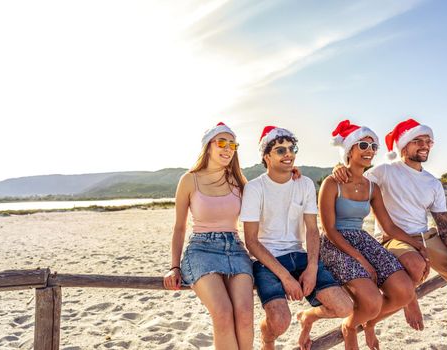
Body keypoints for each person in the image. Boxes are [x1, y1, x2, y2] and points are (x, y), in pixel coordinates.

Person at [334, 118, 447, 350]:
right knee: (414, 265)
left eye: (428, 141)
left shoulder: (432, 183)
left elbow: (443, 222)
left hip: (426, 238)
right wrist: (337, 168)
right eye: (417, 140)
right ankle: (410, 300)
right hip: (393, 239)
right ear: (403, 146)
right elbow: (353, 176)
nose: (425, 145)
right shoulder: (385, 172)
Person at [240, 126, 354, 350]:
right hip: (268, 261)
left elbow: (312, 230)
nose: (288, 154)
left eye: (292, 148)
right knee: (280, 322)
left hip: (300, 256)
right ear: (267, 156)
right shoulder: (255, 188)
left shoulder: (305, 184)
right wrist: (286, 278)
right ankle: (268, 339)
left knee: (344, 308)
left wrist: (311, 267)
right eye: (280, 150)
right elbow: (251, 241)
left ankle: (308, 316)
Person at [317, 120, 423, 350]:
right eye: (363, 145)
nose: (370, 151)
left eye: (374, 146)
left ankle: (367, 322)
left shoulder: (372, 186)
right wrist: (361, 259)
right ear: (350, 150)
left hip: (362, 239)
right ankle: (350, 326)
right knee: (373, 300)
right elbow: (329, 230)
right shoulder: (331, 182)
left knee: (404, 291)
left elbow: (388, 226)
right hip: (336, 243)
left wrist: (417, 244)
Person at [163, 122, 254, 350]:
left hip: (235, 249)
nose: (228, 148)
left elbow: (270, 190)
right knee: (223, 313)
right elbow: (180, 227)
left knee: (244, 315)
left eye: (232, 144)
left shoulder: (239, 182)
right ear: (208, 147)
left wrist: (291, 174)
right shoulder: (189, 180)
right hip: (201, 250)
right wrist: (174, 267)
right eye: (221, 142)